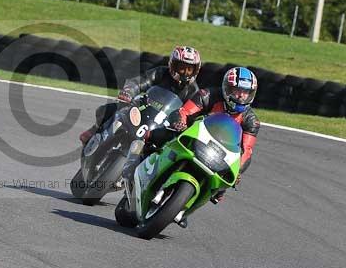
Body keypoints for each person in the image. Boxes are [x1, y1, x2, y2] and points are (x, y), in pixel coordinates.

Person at [121, 66, 260, 227]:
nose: (240, 95)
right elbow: (185, 111)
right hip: (193, 135)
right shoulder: (208, 95)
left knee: (223, 187)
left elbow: (247, 150)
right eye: (236, 90)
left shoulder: (251, 120)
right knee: (155, 135)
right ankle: (134, 164)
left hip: (218, 151)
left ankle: (185, 206)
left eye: (245, 92)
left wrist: (238, 170)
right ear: (227, 88)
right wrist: (180, 120)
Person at [78, 45, 202, 145]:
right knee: (110, 109)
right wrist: (129, 91)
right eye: (182, 67)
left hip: (163, 124)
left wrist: (181, 123)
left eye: (189, 69)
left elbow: (191, 114)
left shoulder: (193, 91)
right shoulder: (161, 72)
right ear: (173, 65)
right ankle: (95, 130)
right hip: (143, 107)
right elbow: (141, 81)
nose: (185, 72)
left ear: (195, 70)